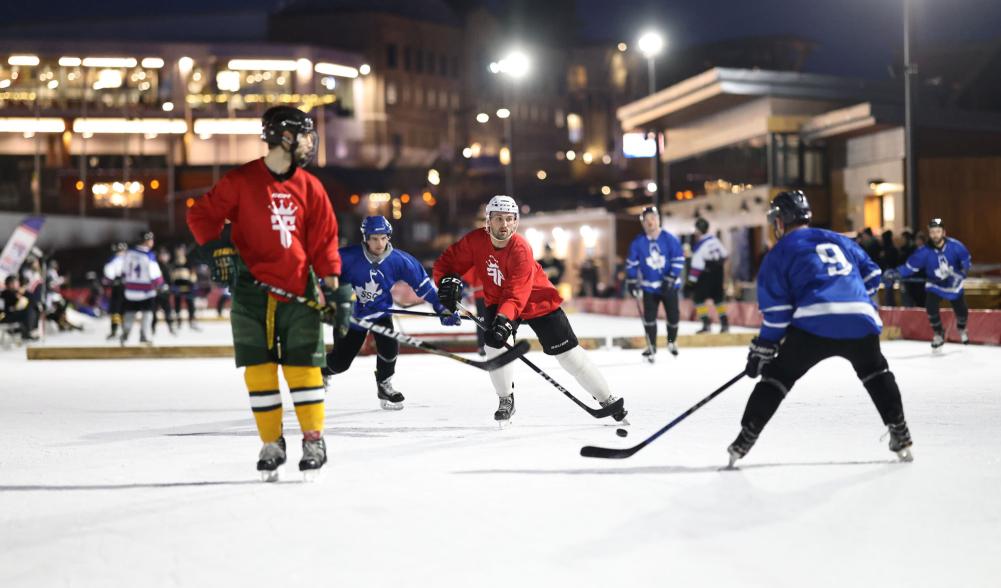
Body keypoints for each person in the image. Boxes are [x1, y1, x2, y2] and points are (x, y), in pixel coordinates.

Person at [187, 105, 353, 480]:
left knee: (304, 367)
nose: (312, 142)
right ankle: (271, 442)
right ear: (287, 136)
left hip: (298, 290)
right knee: (259, 370)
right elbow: (201, 216)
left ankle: (313, 440)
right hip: (250, 292)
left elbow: (324, 244)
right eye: (307, 134)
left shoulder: (311, 187)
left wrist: (333, 289)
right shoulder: (241, 181)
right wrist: (217, 248)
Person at [727, 190, 912, 467]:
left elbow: (777, 315)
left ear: (781, 221)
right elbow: (873, 274)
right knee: (876, 372)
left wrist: (763, 349)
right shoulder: (838, 239)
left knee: (777, 377)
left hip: (815, 324)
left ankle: (746, 437)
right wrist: (851, 296)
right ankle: (900, 431)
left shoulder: (779, 253)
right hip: (860, 318)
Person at [433, 195, 628, 426]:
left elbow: (517, 292)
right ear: (488, 221)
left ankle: (606, 397)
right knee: (494, 347)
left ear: (515, 221)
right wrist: (446, 281)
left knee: (568, 355)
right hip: (498, 299)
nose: (503, 225)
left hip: (536, 300)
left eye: (508, 219)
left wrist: (504, 320)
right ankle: (506, 399)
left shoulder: (521, 248)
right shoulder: (476, 240)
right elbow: (447, 263)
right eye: (498, 219)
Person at [323, 215, 460, 409]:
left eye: (383, 237)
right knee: (339, 363)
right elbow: (323, 276)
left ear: (389, 237)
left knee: (389, 349)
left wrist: (441, 308)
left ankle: (384, 385)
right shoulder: (347, 256)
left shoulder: (400, 260)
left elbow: (424, 288)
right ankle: (318, 373)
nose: (379, 243)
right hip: (351, 318)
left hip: (380, 314)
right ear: (365, 238)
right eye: (374, 238)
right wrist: (337, 296)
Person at [884, 218, 971, 350]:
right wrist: (896, 273)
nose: (935, 235)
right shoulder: (923, 251)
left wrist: (962, 273)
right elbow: (910, 267)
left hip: (954, 285)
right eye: (932, 232)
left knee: (962, 311)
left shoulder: (956, 246)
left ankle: (962, 328)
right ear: (929, 234)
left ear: (944, 232)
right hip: (934, 285)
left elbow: (965, 260)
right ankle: (938, 333)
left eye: (938, 231)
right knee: (930, 306)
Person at [625, 206, 684, 360]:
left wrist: (671, 277)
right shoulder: (638, 242)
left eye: (652, 218)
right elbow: (632, 263)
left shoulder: (670, 239)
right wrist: (632, 281)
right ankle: (651, 346)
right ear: (643, 223)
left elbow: (678, 259)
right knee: (649, 318)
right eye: (646, 220)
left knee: (673, 317)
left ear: (658, 219)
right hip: (649, 287)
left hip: (669, 286)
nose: (650, 222)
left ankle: (671, 342)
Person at [684, 217, 730, 333]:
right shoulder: (715, 240)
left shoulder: (699, 246)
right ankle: (724, 324)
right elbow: (725, 255)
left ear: (698, 230)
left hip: (705, 275)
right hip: (718, 273)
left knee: (698, 299)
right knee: (718, 300)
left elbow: (696, 267)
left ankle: (706, 323)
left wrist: (690, 282)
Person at [120, 231, 165, 345]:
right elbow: (154, 274)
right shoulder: (148, 256)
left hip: (130, 291)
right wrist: (161, 285)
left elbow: (124, 271)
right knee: (147, 314)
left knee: (130, 313)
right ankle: (145, 336)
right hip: (146, 291)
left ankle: (125, 334)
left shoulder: (129, 253)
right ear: (147, 241)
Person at [171, 245, 199, 331]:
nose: (180, 252)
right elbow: (171, 275)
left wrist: (192, 280)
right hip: (177, 286)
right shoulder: (173, 263)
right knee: (177, 304)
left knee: (190, 304)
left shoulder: (189, 262)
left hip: (187, 286)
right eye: (178, 250)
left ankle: (192, 321)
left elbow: (193, 273)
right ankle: (178, 321)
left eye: (181, 250)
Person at [103, 243, 127, 340]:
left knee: (122, 310)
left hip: (124, 287)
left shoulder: (127, 260)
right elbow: (108, 273)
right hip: (117, 288)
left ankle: (125, 331)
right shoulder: (113, 260)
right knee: (116, 311)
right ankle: (114, 330)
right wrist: (112, 280)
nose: (121, 253)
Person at [152, 246, 176, 335]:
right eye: (162, 255)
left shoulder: (168, 266)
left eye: (165, 255)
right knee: (153, 312)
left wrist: (170, 286)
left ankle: (171, 327)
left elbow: (170, 280)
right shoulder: (156, 265)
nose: (164, 256)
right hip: (156, 293)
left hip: (165, 294)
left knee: (168, 310)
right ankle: (152, 328)